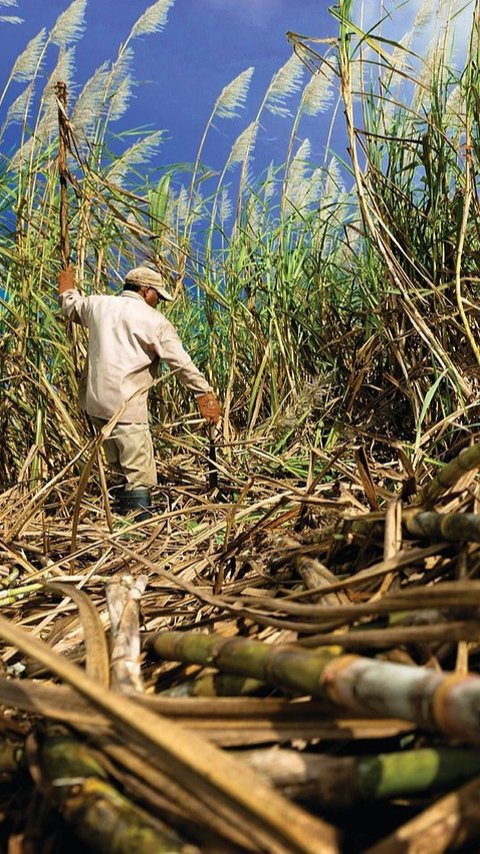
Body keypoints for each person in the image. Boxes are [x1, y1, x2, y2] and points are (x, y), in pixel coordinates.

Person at [58, 264, 221, 517]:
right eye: (158, 295)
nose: (159, 302)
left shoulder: (98, 305)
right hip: (126, 409)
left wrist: (67, 287)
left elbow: (71, 306)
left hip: (96, 405)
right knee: (140, 476)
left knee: (118, 469)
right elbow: (181, 363)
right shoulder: (154, 321)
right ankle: (139, 536)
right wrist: (204, 393)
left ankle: (121, 522)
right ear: (146, 292)